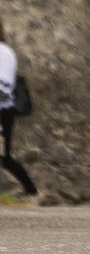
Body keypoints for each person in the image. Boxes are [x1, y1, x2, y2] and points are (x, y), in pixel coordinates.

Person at [0, 19, 38, 197]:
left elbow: (5, 87)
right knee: (3, 157)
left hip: (2, 112)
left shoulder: (5, 52)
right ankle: (30, 189)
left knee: (4, 156)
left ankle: (30, 189)